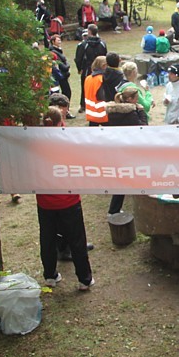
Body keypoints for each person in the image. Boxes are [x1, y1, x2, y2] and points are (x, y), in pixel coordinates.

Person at [37, 107, 95, 291]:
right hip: (68, 200)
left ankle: (50, 275)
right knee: (77, 239)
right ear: (60, 122)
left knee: (47, 238)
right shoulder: (68, 141)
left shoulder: (35, 142)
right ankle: (84, 279)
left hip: (45, 202)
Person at [106, 84, 149, 216]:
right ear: (130, 99)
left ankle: (114, 209)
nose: (138, 101)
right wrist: (141, 111)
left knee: (122, 179)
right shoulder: (130, 114)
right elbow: (143, 127)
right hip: (131, 150)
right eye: (136, 98)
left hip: (118, 149)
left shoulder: (113, 112)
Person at [75, 24, 107, 114]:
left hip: (87, 69)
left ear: (89, 32)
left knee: (85, 86)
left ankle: (83, 105)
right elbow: (105, 55)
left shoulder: (84, 44)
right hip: (101, 68)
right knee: (101, 86)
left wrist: (79, 68)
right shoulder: (102, 43)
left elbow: (78, 58)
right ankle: (101, 103)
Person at [83, 56, 108, 126]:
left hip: (91, 113)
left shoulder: (88, 78)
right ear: (103, 66)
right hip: (102, 113)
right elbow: (102, 96)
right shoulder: (101, 79)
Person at [49, 34, 72, 105]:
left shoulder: (59, 50)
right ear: (53, 41)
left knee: (66, 92)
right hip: (60, 76)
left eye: (60, 40)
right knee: (66, 92)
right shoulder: (53, 52)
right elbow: (62, 66)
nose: (60, 42)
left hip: (63, 75)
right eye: (58, 40)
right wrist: (67, 65)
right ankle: (65, 108)